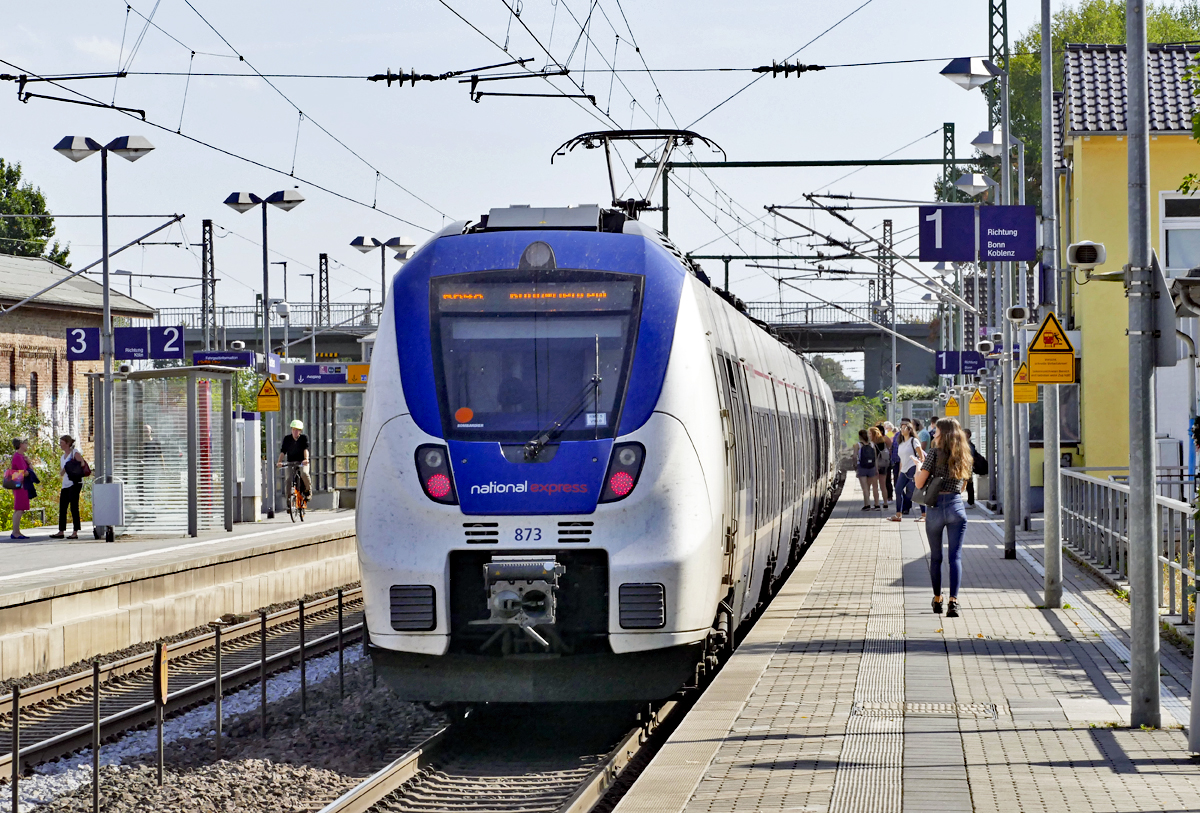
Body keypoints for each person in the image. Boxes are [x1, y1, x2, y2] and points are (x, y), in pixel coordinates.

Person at [914, 417, 973, 617]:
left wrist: (917, 468)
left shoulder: (933, 453)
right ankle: (953, 602)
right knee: (955, 557)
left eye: (936, 431)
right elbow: (963, 486)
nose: (934, 434)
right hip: (956, 508)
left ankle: (937, 600)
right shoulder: (964, 454)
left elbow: (920, 484)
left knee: (936, 557)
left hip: (936, 508)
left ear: (943, 433)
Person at [51, 436, 86, 539]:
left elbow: (82, 463)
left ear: (67, 443)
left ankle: (75, 532)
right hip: (65, 484)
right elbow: (62, 472)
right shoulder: (63, 457)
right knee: (63, 506)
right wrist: (63, 470)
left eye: (61, 442)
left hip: (75, 483)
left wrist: (72, 465)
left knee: (74, 507)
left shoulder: (74, 452)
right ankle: (61, 531)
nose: (60, 444)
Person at [889, 422, 924, 522]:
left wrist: (920, 468)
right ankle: (898, 514)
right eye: (901, 428)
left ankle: (924, 514)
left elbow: (921, 456)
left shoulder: (914, 441)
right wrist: (900, 471)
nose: (902, 430)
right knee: (898, 489)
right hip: (904, 469)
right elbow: (901, 458)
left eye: (905, 428)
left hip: (912, 467)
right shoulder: (901, 443)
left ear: (910, 430)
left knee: (915, 490)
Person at [7, 438, 36, 540]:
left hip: (23, 484)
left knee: (21, 508)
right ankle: (15, 532)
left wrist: (29, 462)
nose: (27, 445)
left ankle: (17, 531)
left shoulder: (22, 457)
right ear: (20, 444)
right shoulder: (17, 457)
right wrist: (29, 470)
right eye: (25, 443)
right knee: (19, 509)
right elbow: (25, 472)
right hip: (20, 485)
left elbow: (30, 470)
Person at [279, 419, 311, 499]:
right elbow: (283, 451)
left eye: (297, 430)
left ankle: (308, 490)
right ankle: (289, 500)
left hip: (302, 462)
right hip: (290, 462)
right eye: (293, 429)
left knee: (304, 473)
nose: (295, 432)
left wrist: (306, 459)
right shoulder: (287, 439)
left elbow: (305, 449)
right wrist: (279, 462)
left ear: (300, 431)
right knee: (288, 479)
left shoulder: (304, 438)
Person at [854, 429, 882, 510]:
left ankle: (867, 505)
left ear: (860, 436)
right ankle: (877, 504)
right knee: (875, 487)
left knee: (865, 488)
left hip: (862, 467)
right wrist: (876, 469)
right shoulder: (872, 445)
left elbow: (855, 457)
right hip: (872, 467)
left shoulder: (858, 445)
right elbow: (875, 458)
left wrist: (855, 466)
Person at [869, 426, 889, 510]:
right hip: (884, 465)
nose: (869, 435)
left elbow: (875, 458)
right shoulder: (883, 443)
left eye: (870, 433)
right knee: (883, 486)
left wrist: (876, 468)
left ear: (873, 434)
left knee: (875, 486)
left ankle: (876, 504)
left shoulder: (873, 444)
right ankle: (885, 503)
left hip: (876, 467)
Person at [964, 428, 979, 507]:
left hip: (968, 467)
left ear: (968, 435)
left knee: (969, 484)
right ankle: (970, 502)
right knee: (967, 484)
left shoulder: (970, 445)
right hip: (966, 466)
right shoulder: (966, 445)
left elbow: (970, 457)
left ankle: (971, 502)